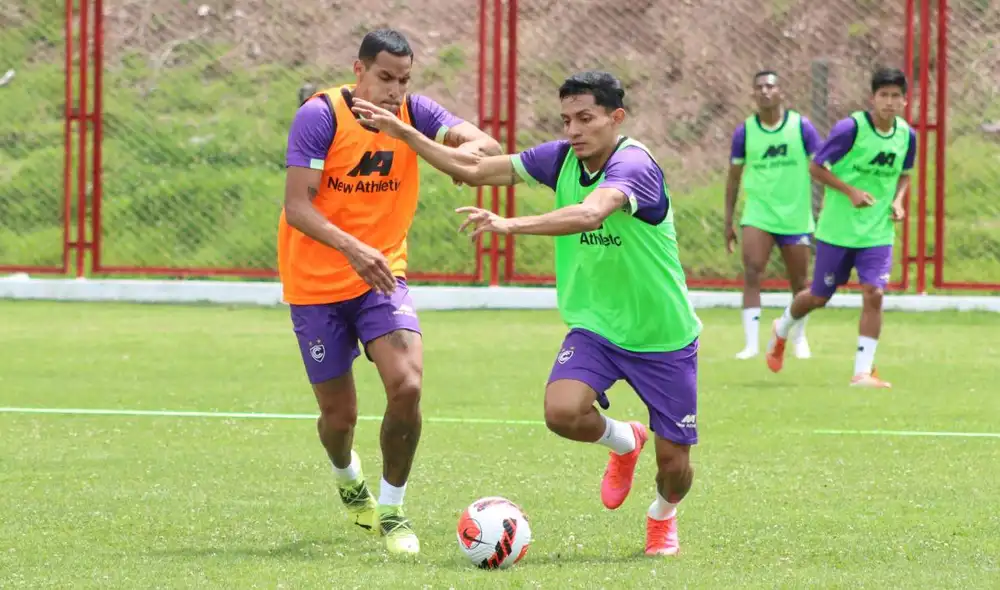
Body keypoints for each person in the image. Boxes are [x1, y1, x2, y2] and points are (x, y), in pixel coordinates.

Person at [351, 71, 702, 557]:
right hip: (598, 327)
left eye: (585, 118)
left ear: (615, 118)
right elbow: (477, 170)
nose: (574, 130)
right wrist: (407, 134)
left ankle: (662, 515)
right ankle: (624, 441)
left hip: (663, 335)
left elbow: (589, 214)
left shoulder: (634, 165)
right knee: (561, 412)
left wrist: (508, 224)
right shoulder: (559, 158)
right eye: (566, 120)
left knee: (675, 470)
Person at [277, 28, 500, 555]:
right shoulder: (320, 116)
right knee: (340, 419)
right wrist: (354, 248)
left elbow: (485, 147)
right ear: (359, 70)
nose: (394, 90)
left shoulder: (415, 112)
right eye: (384, 77)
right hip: (315, 284)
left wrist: (418, 139)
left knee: (408, 385)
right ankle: (345, 472)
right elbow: (297, 207)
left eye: (403, 79)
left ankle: (394, 510)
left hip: (382, 276)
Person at [766, 67, 915, 388]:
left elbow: (905, 173)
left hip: (877, 232)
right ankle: (782, 326)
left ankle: (862, 372)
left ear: (904, 101)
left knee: (874, 293)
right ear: (872, 98)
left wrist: (899, 201)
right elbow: (816, 167)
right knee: (819, 296)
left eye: (896, 96)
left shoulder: (907, 135)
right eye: (883, 95)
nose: (889, 102)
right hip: (838, 230)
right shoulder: (851, 129)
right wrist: (850, 191)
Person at [725, 70, 823, 360]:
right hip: (759, 213)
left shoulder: (801, 127)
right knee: (753, 271)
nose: (765, 91)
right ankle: (751, 344)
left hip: (794, 215)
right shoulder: (745, 132)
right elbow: (733, 177)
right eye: (759, 87)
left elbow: (821, 166)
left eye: (770, 86)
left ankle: (799, 336)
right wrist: (728, 220)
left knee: (800, 281)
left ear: (781, 91)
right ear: (753, 95)